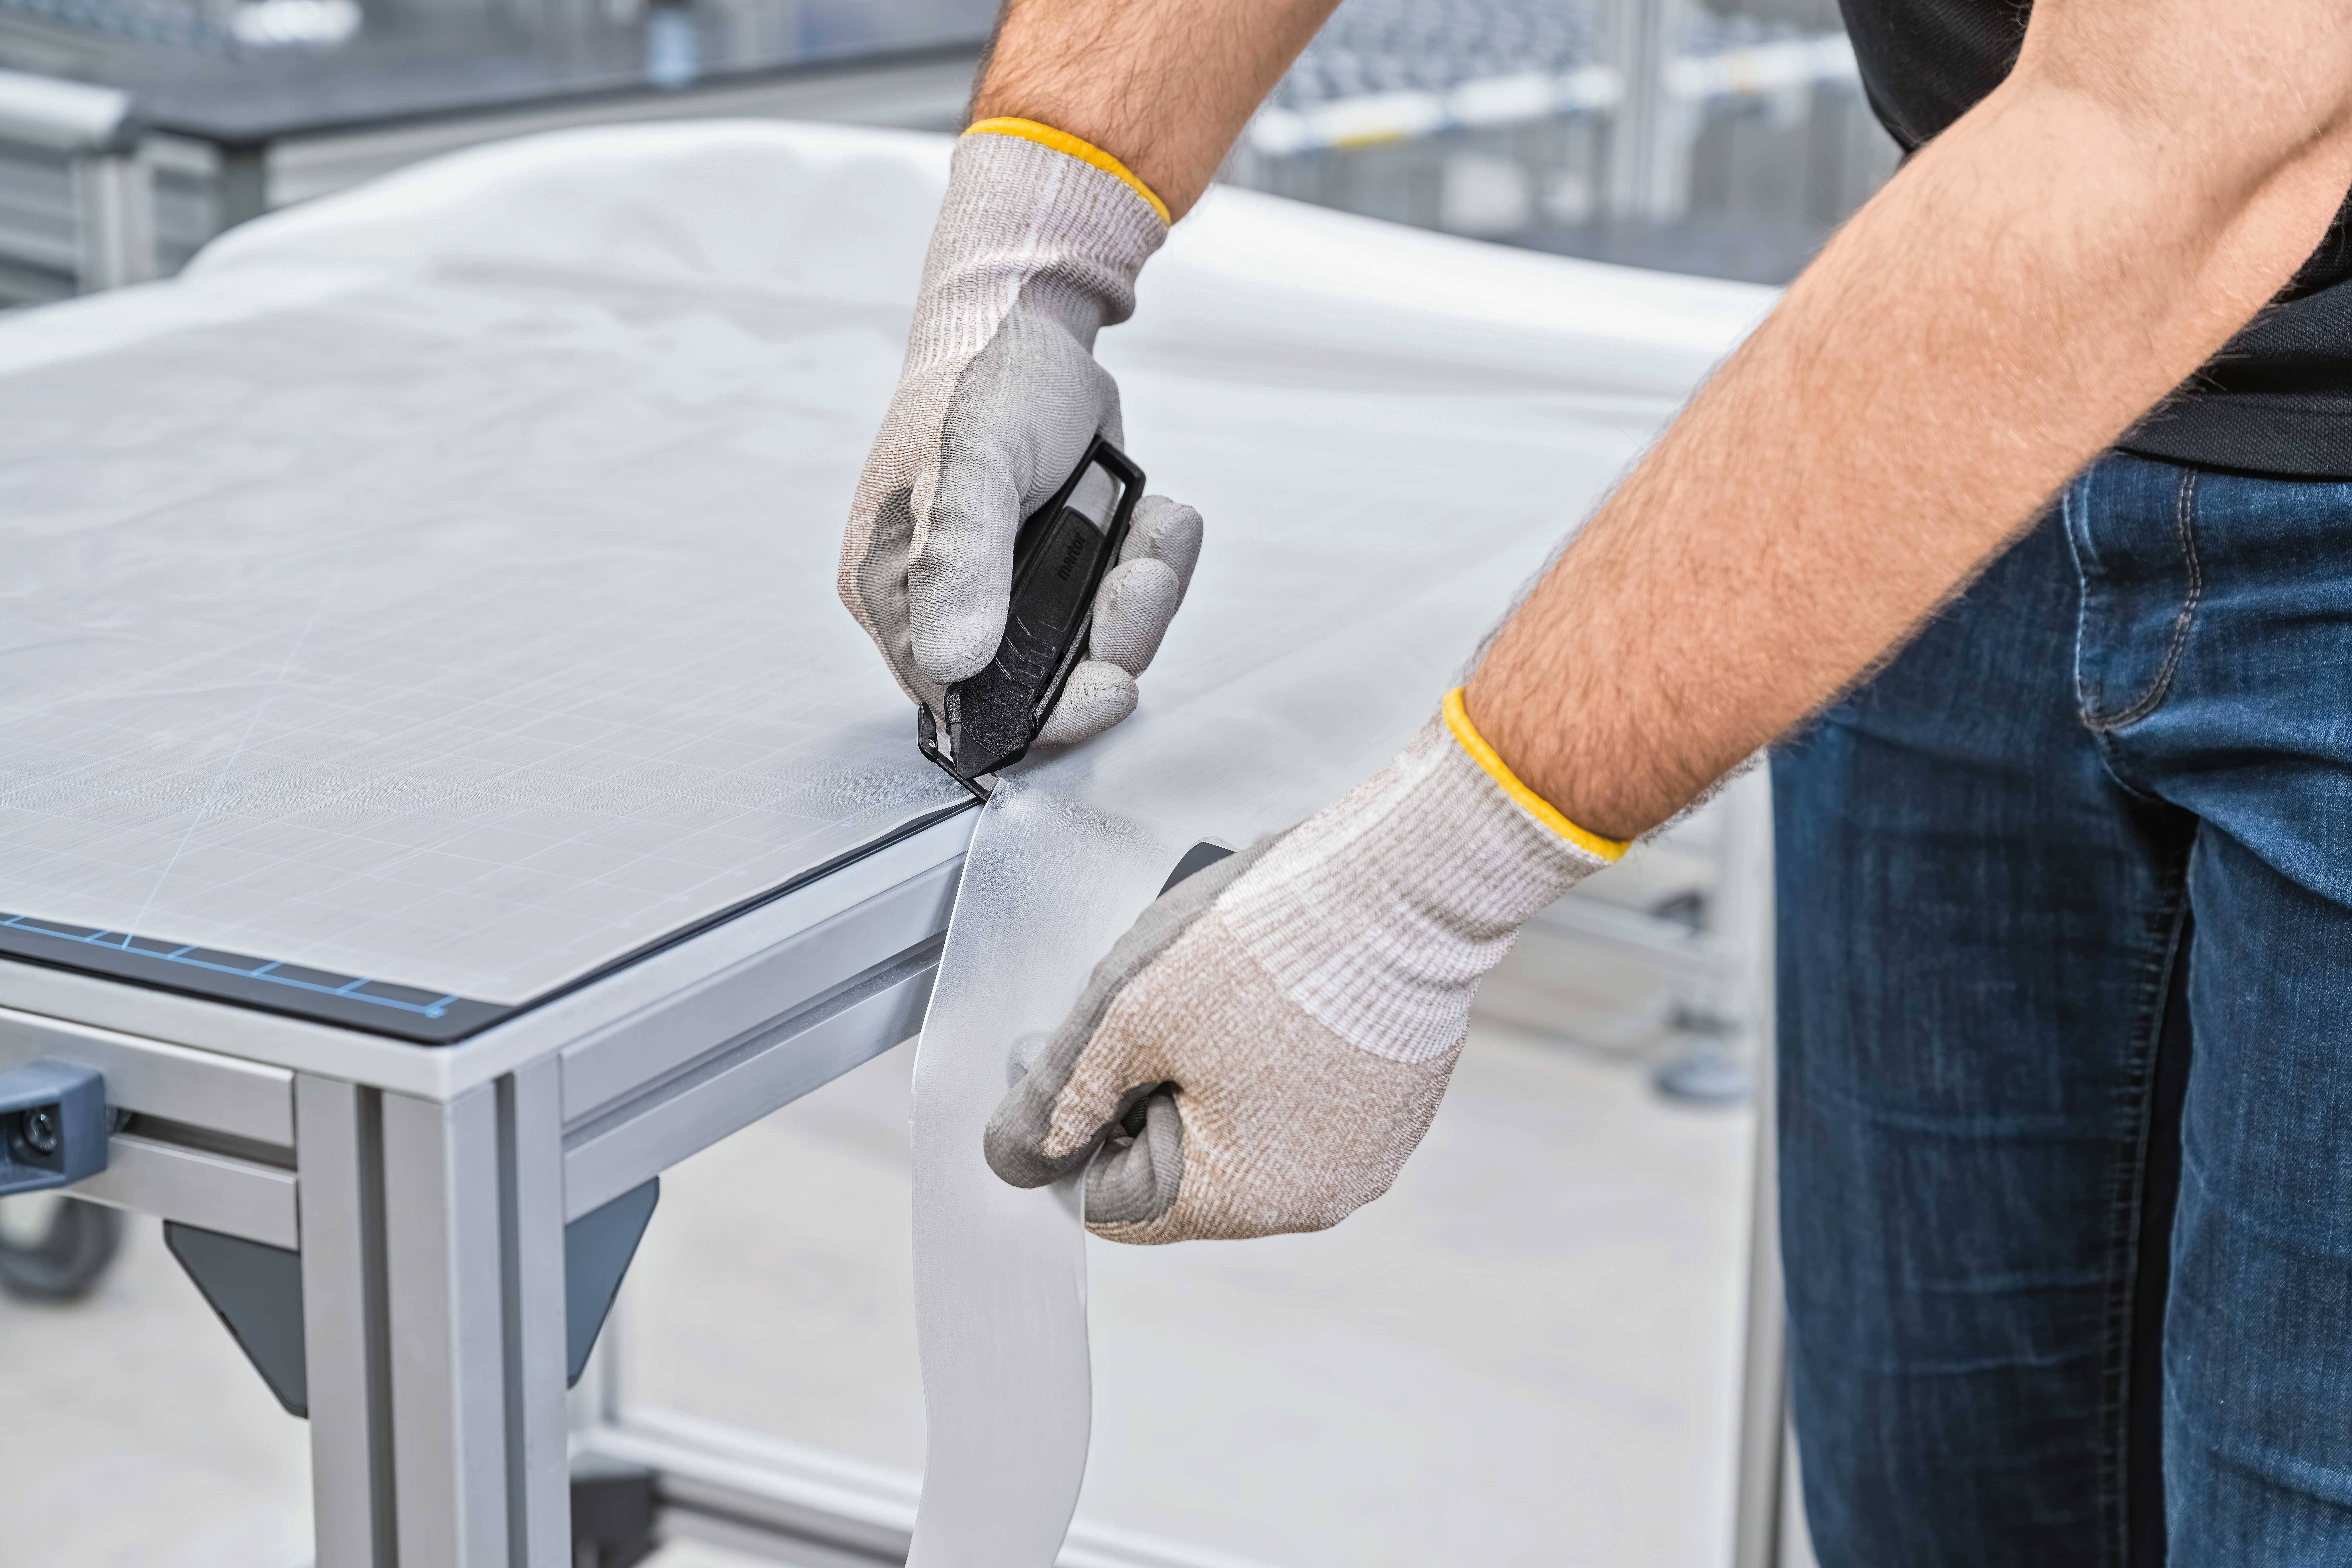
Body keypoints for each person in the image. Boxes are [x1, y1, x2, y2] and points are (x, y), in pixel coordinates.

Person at [838, 0, 2352, 1559]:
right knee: (1938, 1504)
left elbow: (2190, 122)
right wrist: (1027, 254)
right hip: (2002, 370)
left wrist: (1425, 883)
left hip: (2205, 281)